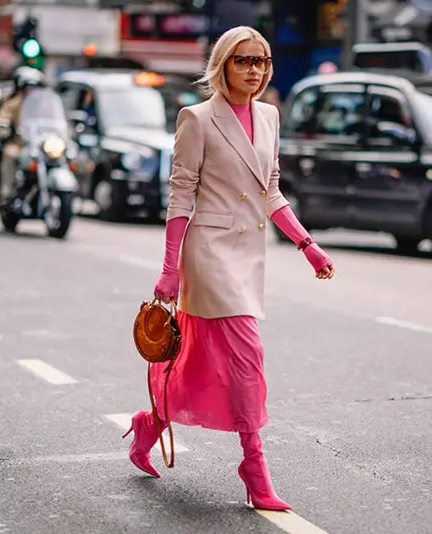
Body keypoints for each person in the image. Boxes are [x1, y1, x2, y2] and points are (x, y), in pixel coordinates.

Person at [124, 26, 335, 512]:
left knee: (198, 364)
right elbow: (181, 197)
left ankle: (147, 426)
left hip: (248, 256)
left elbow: (271, 190)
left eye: (262, 61)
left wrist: (307, 245)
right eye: (244, 61)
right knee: (247, 358)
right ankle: (255, 471)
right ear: (223, 65)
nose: (255, 70)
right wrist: (169, 270)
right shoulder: (197, 119)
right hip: (210, 254)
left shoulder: (270, 116)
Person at [0, 67, 47, 205]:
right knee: (10, 154)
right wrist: (5, 127)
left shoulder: (44, 105)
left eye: (35, 88)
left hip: (39, 146)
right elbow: (3, 117)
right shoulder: (14, 103)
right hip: (19, 143)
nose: (32, 91)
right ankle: (6, 192)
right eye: (29, 88)